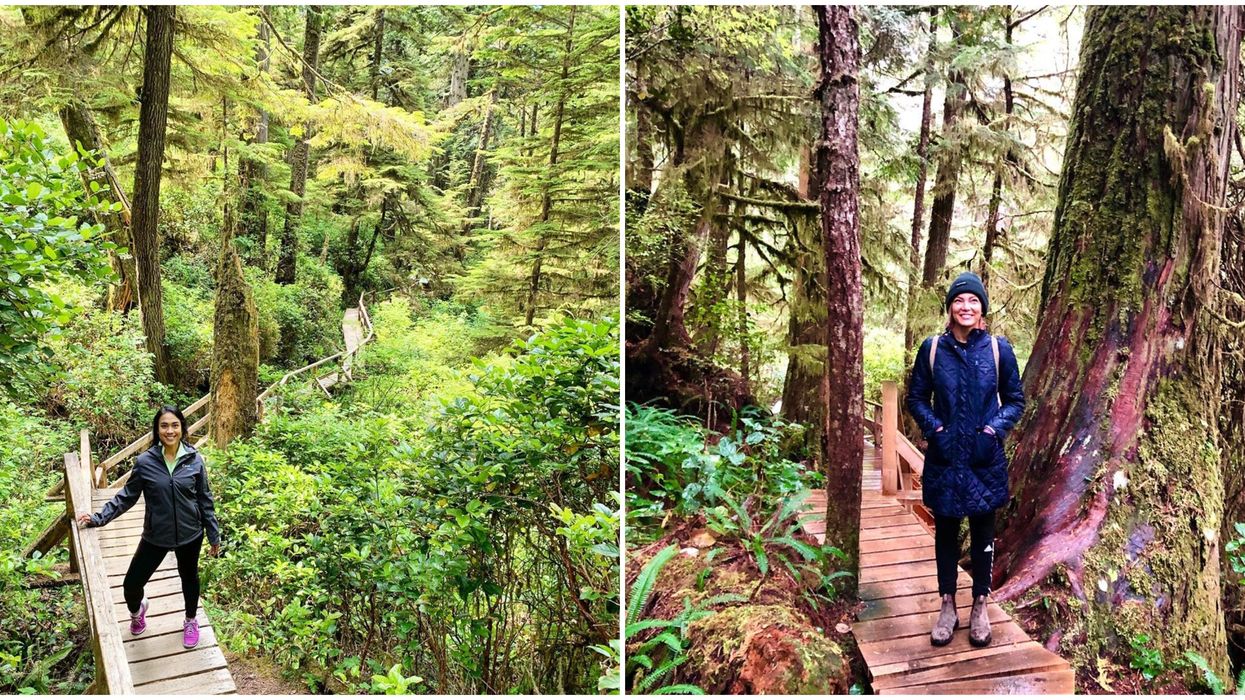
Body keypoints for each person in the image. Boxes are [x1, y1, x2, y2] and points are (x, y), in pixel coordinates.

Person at [905, 271, 1025, 648]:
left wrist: (992, 432)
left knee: (983, 534)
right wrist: (935, 430)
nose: (966, 306)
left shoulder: (998, 350)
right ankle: (946, 604)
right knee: (945, 533)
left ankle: (979, 604)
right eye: (959, 300)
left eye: (973, 300)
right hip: (945, 458)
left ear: (982, 308)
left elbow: (1016, 400)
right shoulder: (932, 349)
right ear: (950, 307)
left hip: (983, 459)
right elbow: (916, 398)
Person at [77, 405, 222, 649]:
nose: (170, 430)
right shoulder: (145, 462)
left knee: (189, 578)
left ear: (182, 428)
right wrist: (99, 518)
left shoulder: (194, 459)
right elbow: (126, 496)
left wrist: (213, 534)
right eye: (164, 425)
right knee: (132, 584)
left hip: (190, 533)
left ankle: (190, 620)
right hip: (156, 535)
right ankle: (138, 611)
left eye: (175, 425)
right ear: (157, 429)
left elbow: (205, 500)